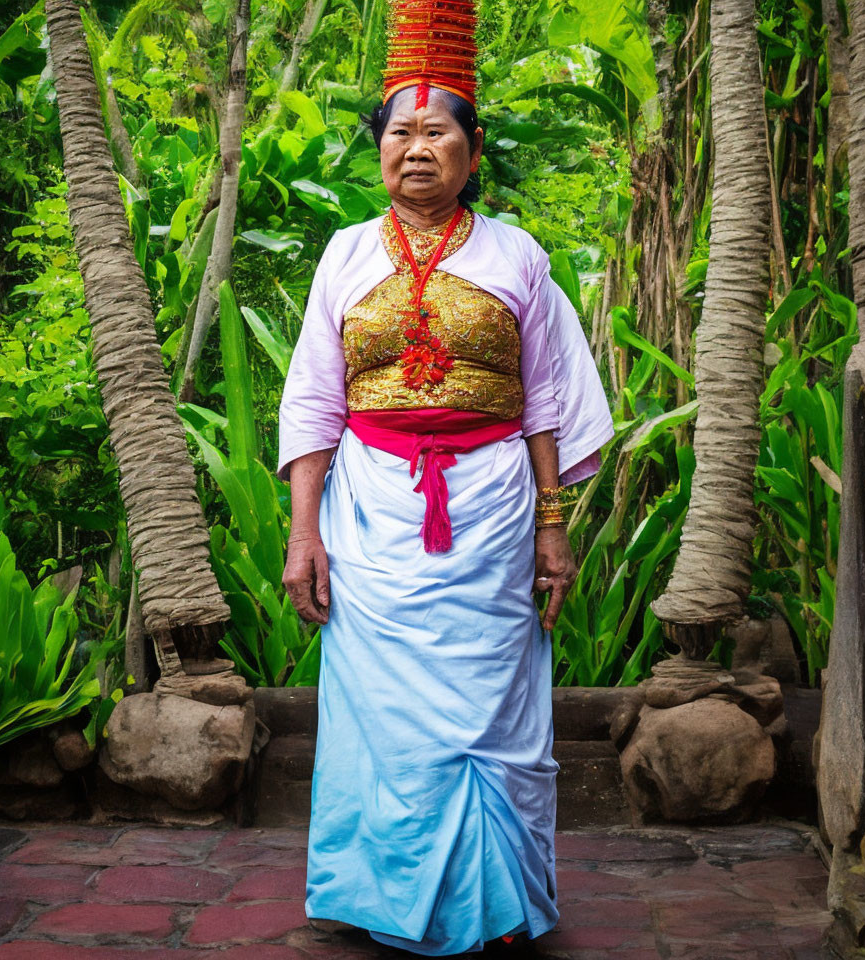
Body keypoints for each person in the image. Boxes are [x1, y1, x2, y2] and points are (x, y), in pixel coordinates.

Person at [277, 2, 613, 953]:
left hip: (495, 505)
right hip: (372, 507)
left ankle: (497, 905)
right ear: (378, 148)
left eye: (437, 131)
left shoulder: (517, 255)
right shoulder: (343, 254)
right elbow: (313, 406)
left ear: (473, 150)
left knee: (493, 709)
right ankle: (384, 900)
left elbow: (545, 401)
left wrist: (553, 525)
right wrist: (307, 533)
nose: (415, 149)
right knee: (379, 712)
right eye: (399, 131)